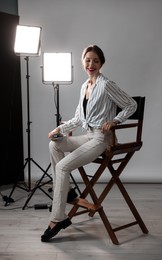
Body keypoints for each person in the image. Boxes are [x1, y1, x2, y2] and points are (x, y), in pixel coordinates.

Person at [41, 45, 137, 242]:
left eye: (95, 61)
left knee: (62, 167)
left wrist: (115, 121)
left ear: (101, 63)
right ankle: (67, 192)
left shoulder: (106, 84)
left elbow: (131, 104)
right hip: (87, 136)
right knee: (54, 145)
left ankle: (57, 219)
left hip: (101, 139)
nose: (91, 64)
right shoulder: (84, 86)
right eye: (87, 60)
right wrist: (58, 130)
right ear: (82, 61)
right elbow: (78, 119)